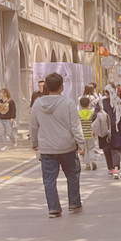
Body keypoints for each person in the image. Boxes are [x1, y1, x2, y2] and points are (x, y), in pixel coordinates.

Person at [28, 72, 84, 217]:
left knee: (49, 179)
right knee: (72, 174)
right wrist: (81, 143)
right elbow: (75, 126)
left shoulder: (37, 104)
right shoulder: (68, 103)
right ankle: (74, 203)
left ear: (46, 86)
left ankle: (53, 208)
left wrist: (34, 143)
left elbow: (33, 126)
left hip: (47, 148)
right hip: (67, 146)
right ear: (62, 87)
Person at [97, 90, 121, 180]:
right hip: (117, 128)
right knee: (116, 150)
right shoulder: (119, 102)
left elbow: (95, 116)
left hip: (104, 129)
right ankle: (116, 168)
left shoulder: (101, 103)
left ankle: (110, 168)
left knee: (106, 149)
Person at [78, 97, 97, 171]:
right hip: (91, 134)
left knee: (84, 149)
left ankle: (87, 164)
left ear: (80, 105)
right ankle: (93, 160)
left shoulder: (79, 114)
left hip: (82, 135)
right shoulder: (91, 113)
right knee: (91, 148)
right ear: (89, 104)